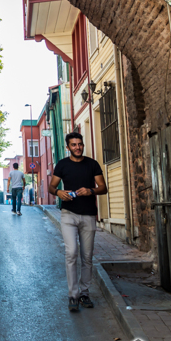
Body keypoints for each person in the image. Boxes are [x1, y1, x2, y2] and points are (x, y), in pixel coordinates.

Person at [49, 131, 107, 312]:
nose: (78, 147)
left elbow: (103, 188)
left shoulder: (92, 164)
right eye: (73, 145)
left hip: (89, 214)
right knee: (71, 253)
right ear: (68, 147)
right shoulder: (62, 165)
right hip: (68, 214)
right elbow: (52, 186)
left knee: (87, 257)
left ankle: (84, 293)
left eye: (80, 144)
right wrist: (59, 192)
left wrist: (91, 190)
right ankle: (73, 295)